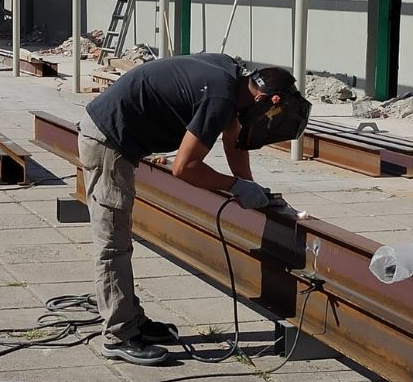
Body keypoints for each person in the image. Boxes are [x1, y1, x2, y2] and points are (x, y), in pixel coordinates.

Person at [77, 52, 310, 365]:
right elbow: (184, 167)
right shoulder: (220, 96)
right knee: (113, 243)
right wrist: (235, 186)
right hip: (108, 139)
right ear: (267, 99)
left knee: (118, 241)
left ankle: (131, 319)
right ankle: (119, 334)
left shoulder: (232, 77)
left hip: (118, 134)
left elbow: (233, 141)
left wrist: (253, 188)